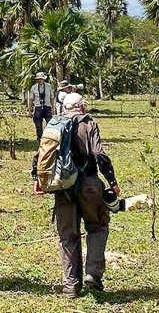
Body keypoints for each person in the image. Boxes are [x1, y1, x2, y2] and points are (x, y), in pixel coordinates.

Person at [34, 92, 119, 297]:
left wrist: (38, 180)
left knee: (67, 236)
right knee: (98, 227)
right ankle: (93, 273)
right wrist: (112, 182)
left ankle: (71, 285)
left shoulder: (55, 124)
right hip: (89, 184)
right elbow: (99, 154)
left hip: (63, 187)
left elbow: (41, 154)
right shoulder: (89, 124)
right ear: (81, 106)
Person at [26, 72, 53, 138]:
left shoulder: (48, 86)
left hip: (47, 107)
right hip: (38, 108)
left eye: (41, 79)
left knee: (50, 125)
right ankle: (40, 140)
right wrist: (29, 111)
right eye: (38, 79)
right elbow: (31, 99)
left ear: (44, 79)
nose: (40, 80)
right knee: (38, 126)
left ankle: (48, 139)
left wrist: (53, 108)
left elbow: (51, 97)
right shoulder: (34, 87)